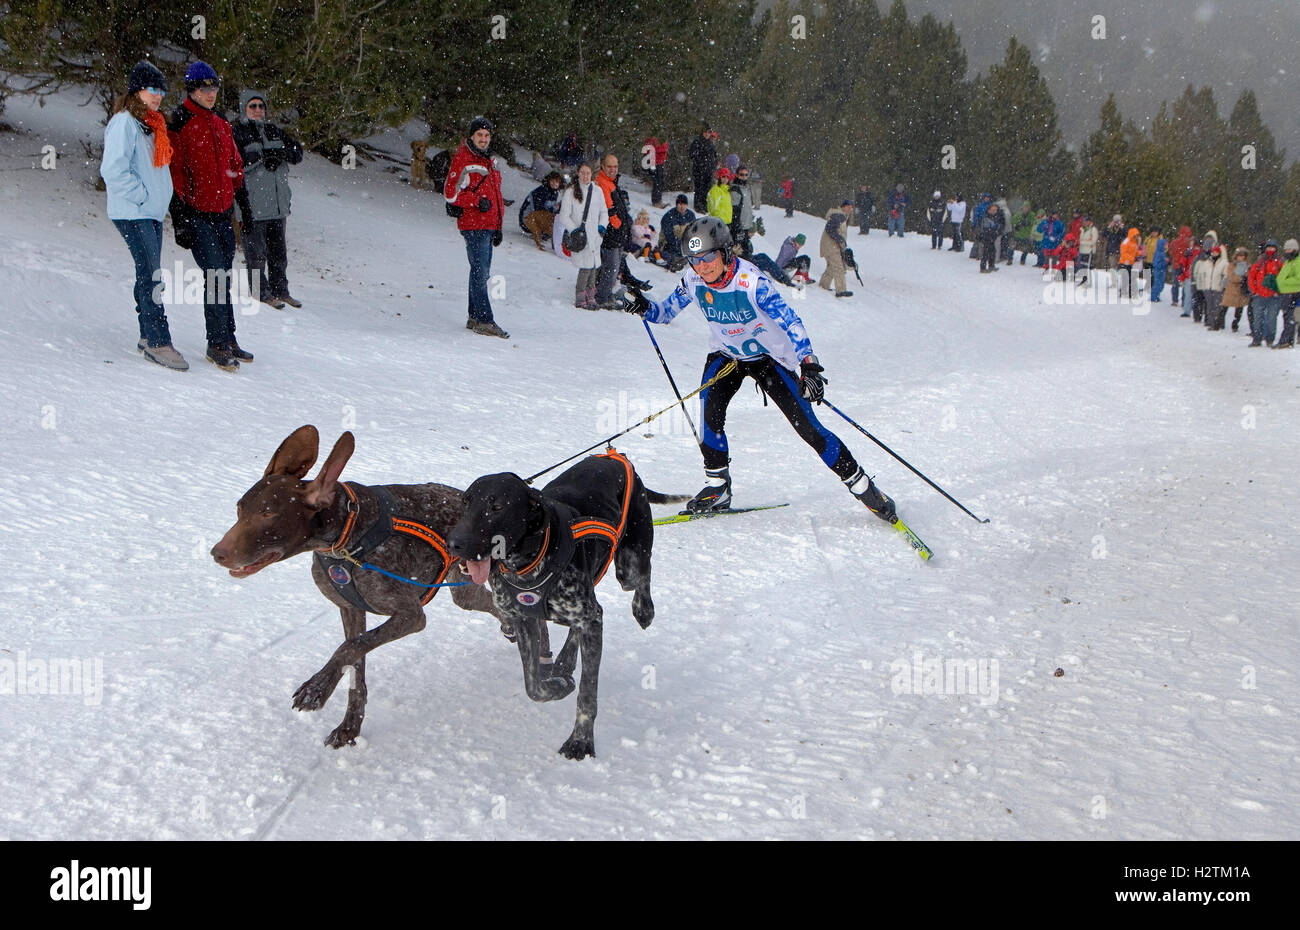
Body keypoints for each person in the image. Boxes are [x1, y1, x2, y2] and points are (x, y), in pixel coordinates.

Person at [625, 216, 901, 526]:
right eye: (694, 260)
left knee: (809, 428)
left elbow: (790, 321)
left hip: (768, 358)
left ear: (725, 252)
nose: (701, 267)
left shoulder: (752, 282)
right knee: (708, 412)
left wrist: (808, 364)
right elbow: (665, 312)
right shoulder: (693, 279)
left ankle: (864, 488)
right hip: (727, 355)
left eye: (708, 257)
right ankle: (718, 488)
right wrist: (644, 307)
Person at [101, 60, 185, 370]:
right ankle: (158, 341)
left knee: (147, 274)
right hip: (134, 212)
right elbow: (113, 169)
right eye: (153, 89)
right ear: (137, 90)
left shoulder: (150, 125)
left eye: (162, 90)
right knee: (151, 276)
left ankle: (147, 335)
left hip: (149, 212)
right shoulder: (125, 122)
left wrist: (158, 199)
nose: (158, 95)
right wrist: (143, 197)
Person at [167, 60, 249, 370]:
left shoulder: (221, 124)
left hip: (223, 214)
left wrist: (243, 208)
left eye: (214, 87)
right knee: (214, 275)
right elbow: (174, 174)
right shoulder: (181, 123)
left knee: (223, 277)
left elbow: (236, 169)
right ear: (192, 89)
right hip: (197, 215)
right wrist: (181, 218)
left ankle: (228, 338)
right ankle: (216, 343)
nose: (211, 93)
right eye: (204, 88)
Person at [232, 89, 304, 310]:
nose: (257, 110)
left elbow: (297, 153)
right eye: (252, 106)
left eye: (261, 106)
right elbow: (234, 162)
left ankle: (281, 290)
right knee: (256, 254)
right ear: (244, 108)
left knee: (278, 254)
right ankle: (260, 292)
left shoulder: (274, 131)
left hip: (277, 205)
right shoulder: (236, 132)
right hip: (252, 206)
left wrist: (280, 153)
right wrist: (260, 158)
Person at [444, 115, 508, 338]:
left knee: (480, 272)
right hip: (473, 225)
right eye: (479, 134)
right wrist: (474, 202)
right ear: (471, 136)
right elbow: (450, 193)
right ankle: (484, 319)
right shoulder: (463, 159)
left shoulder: (490, 160)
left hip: (488, 225)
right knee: (481, 273)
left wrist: (498, 226)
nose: (483, 139)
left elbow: (497, 196)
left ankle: (474, 316)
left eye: (487, 135)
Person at [557, 163, 608, 310]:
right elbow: (564, 215)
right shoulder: (571, 191)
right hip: (581, 236)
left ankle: (591, 296)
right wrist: (574, 230)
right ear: (578, 173)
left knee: (593, 267)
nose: (585, 176)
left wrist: (601, 227)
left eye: (588, 173)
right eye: (582, 173)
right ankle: (580, 297)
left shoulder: (597, 191)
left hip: (595, 236)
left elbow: (604, 212)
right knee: (585, 268)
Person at [594, 151, 632, 309]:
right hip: (611, 233)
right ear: (603, 166)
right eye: (609, 166)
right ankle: (603, 297)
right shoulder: (603, 182)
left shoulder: (611, 181)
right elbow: (608, 208)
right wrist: (617, 225)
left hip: (617, 233)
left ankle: (604, 293)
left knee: (612, 266)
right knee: (611, 266)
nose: (613, 169)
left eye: (615, 166)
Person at [1246, 239, 1284, 347]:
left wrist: (1278, 291)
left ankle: (1270, 339)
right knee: (1257, 319)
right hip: (1259, 296)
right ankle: (1257, 339)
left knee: (1272, 319)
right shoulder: (1260, 261)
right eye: (1268, 247)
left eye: (1272, 248)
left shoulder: (1280, 262)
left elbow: (1283, 278)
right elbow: (1251, 276)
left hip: (1273, 296)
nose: (1270, 250)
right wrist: (1254, 291)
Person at [518, 170, 563, 249]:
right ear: (548, 181)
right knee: (548, 217)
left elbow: (551, 210)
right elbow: (539, 211)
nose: (554, 183)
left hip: (537, 219)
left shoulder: (555, 193)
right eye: (552, 181)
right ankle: (538, 233)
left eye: (557, 182)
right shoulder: (541, 191)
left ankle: (544, 233)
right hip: (527, 220)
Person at [819, 200, 854, 297]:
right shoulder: (839, 215)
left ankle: (823, 285)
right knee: (839, 267)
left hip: (830, 246)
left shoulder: (840, 215)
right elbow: (829, 228)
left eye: (851, 207)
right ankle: (841, 290)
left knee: (831, 267)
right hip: (831, 246)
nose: (850, 209)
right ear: (843, 207)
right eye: (848, 207)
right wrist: (840, 239)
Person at [1273, 239, 1300, 347]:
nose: (1287, 251)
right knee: (1287, 317)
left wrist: (1284, 282)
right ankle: (1287, 340)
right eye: (1286, 249)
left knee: (1290, 317)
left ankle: (1286, 340)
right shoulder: (1288, 262)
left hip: (1293, 292)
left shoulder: (1297, 262)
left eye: (1290, 249)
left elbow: (1298, 278)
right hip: (1286, 292)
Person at [659, 194, 696, 269]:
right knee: (672, 248)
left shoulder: (691, 215)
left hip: (684, 242)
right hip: (667, 242)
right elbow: (669, 235)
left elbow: (694, 231)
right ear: (676, 205)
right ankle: (676, 259)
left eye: (684, 204)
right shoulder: (669, 216)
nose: (682, 207)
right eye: (680, 204)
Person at [1222, 246, 1252, 333]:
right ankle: (1220, 323)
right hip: (1231, 289)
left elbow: (1249, 276)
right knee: (1224, 307)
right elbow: (1231, 277)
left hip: (1242, 290)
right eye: (1240, 255)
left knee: (1239, 309)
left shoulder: (1248, 266)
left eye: (1243, 255)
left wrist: (1244, 278)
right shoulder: (1232, 265)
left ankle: (1235, 324)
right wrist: (1241, 278)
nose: (1242, 257)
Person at [688, 125, 718, 213]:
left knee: (707, 188)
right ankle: (698, 205)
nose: (708, 134)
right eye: (707, 132)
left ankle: (704, 205)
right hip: (699, 169)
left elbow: (714, 155)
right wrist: (701, 161)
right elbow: (692, 155)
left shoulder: (710, 143)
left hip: (709, 170)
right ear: (703, 132)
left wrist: (714, 164)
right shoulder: (697, 142)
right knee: (699, 188)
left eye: (709, 132)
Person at [1198, 245, 1229, 330]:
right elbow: (1203, 274)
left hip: (1217, 287)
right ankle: (1210, 322)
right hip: (1208, 287)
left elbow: (1226, 275)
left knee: (1217, 307)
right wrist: (1203, 285)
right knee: (1209, 306)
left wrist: (1222, 285)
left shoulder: (1223, 263)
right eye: (1213, 252)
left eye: (1216, 252)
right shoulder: (1208, 262)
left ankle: (1215, 324)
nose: (1214, 253)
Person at [729, 165, 756, 256]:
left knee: (747, 252)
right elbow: (734, 211)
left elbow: (747, 209)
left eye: (746, 175)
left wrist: (750, 225)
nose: (744, 177)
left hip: (745, 227)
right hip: (738, 228)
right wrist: (737, 227)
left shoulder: (746, 189)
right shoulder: (735, 190)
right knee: (740, 253)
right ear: (737, 175)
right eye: (741, 175)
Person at [978, 202, 1002, 273]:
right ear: (989, 210)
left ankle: (991, 265)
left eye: (996, 210)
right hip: (987, 237)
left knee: (992, 251)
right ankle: (983, 268)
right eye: (993, 210)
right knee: (985, 252)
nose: (995, 211)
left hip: (992, 238)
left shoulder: (994, 217)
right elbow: (986, 229)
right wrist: (994, 231)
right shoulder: (986, 218)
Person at [644, 135, 668, 207]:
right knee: (657, 181)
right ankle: (656, 201)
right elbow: (649, 150)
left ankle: (658, 200)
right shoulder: (652, 137)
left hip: (659, 162)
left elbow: (664, 148)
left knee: (660, 181)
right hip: (654, 162)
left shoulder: (660, 136)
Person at [1144, 226, 1166, 300]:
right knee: (1147, 275)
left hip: (1155, 261)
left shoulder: (1160, 240)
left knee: (1154, 277)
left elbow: (1164, 249)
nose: (1154, 233)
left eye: (1155, 232)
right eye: (1153, 231)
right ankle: (1148, 288)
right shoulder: (1148, 239)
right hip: (1148, 259)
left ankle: (1153, 291)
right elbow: (1145, 247)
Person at [1118, 227, 1141, 299]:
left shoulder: (1134, 242)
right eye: (1136, 235)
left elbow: (1135, 251)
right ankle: (1124, 292)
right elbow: (1123, 254)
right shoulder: (1126, 242)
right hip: (1124, 263)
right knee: (1126, 278)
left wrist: (1139, 254)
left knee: (1130, 278)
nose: (1137, 237)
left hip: (1130, 263)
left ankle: (1129, 292)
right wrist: (1133, 258)